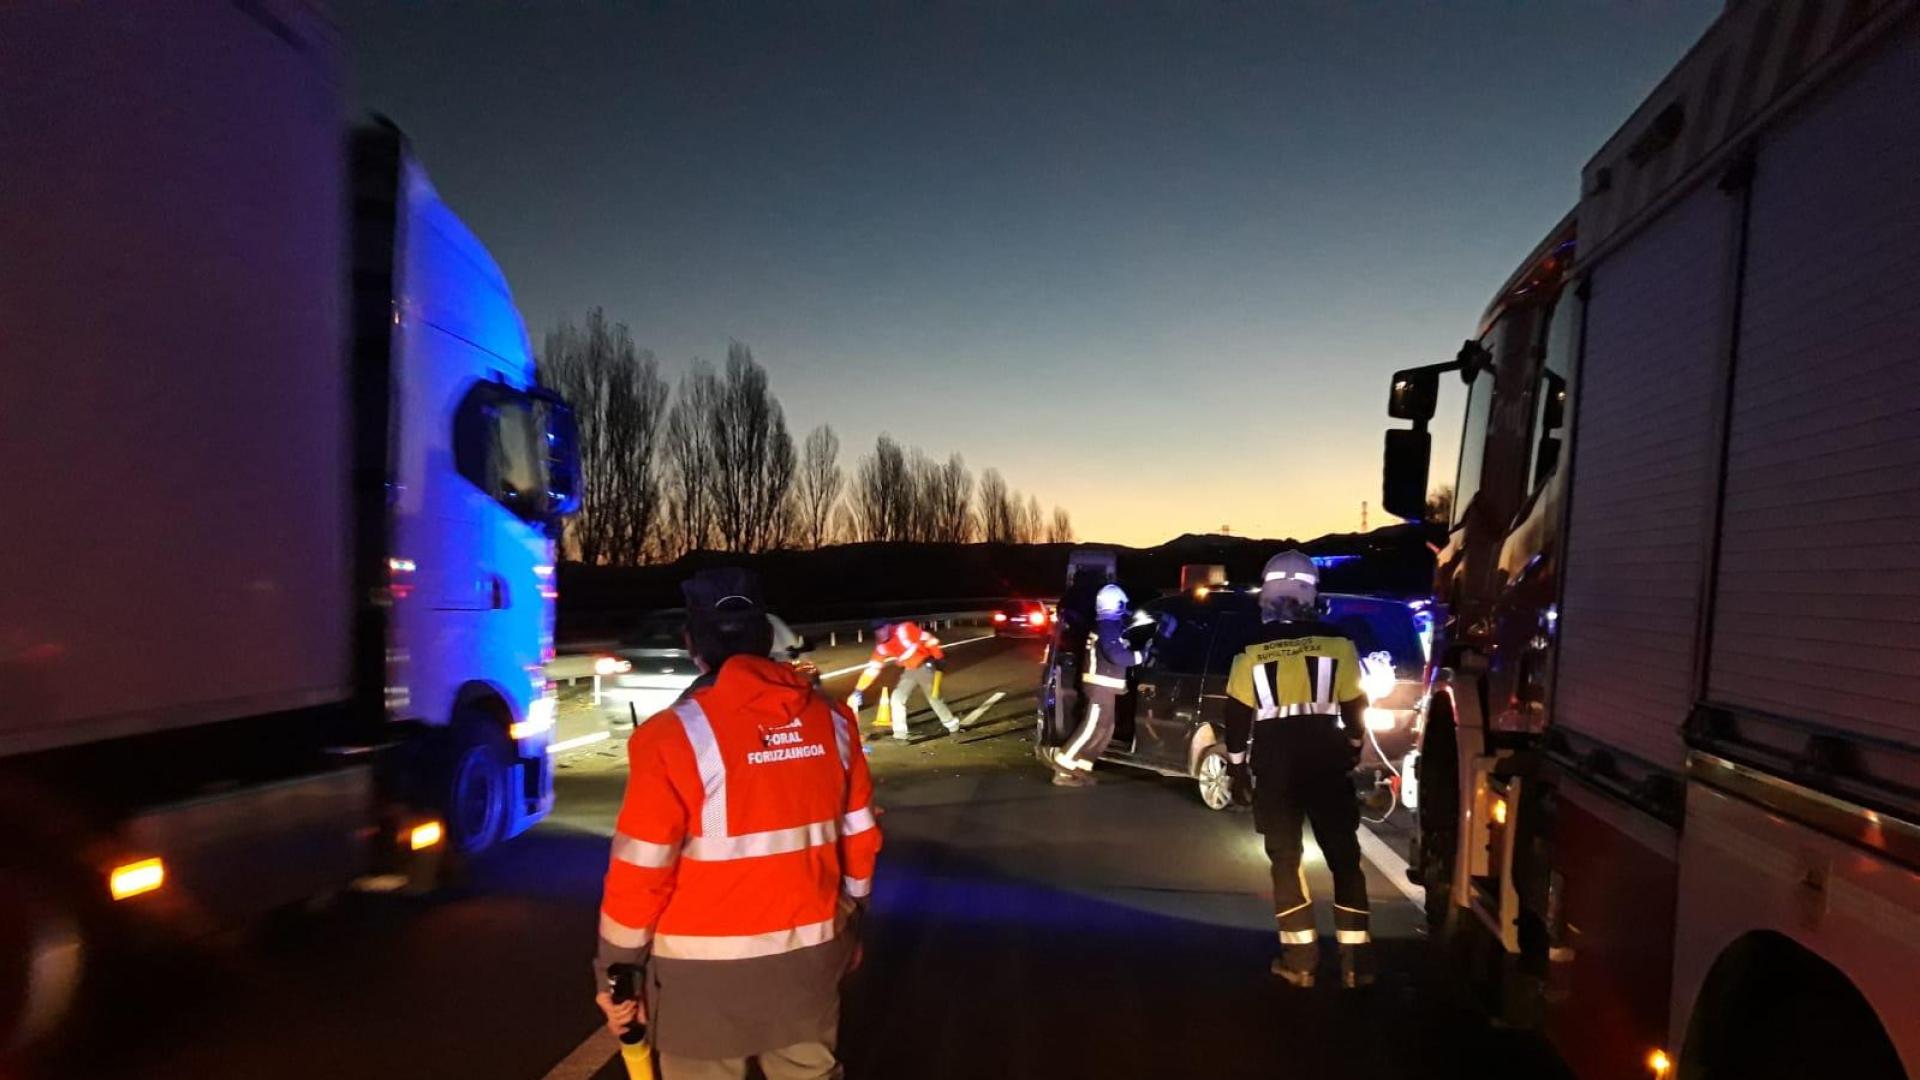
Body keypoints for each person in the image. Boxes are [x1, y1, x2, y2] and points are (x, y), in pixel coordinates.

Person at [593, 568, 882, 1079]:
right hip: (809, 966)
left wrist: (617, 967)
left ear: (692, 644)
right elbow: (859, 838)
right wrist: (852, 920)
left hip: (699, 987)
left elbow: (641, 871)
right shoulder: (835, 722)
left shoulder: (668, 737)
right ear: (767, 637)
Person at [1222, 550, 1373, 989]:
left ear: (1266, 596)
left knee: (1286, 860)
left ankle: (1300, 960)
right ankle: (1357, 962)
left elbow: (1236, 717)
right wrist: (1353, 745)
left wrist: (1236, 769)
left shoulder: (1249, 651)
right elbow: (1354, 706)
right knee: (1345, 857)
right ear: (1312, 595)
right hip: (1327, 761)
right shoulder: (1339, 644)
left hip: (1275, 767)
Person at [1043, 583, 1145, 787]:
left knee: (1105, 729)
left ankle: (1082, 767)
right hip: (1099, 688)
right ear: (1116, 605)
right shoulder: (1108, 627)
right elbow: (1115, 654)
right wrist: (1141, 656)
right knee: (1091, 727)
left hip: (1105, 687)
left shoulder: (1109, 625)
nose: (1124, 608)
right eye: (1122, 605)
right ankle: (1063, 766)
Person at [847, 620, 960, 741]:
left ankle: (952, 726)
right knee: (897, 697)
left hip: (925, 665)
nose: (880, 634)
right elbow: (872, 669)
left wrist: (939, 656)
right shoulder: (881, 647)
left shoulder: (904, 629)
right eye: (876, 632)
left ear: (888, 626)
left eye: (881, 629)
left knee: (934, 698)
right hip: (909, 670)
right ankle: (900, 735)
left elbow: (928, 638)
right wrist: (859, 689)